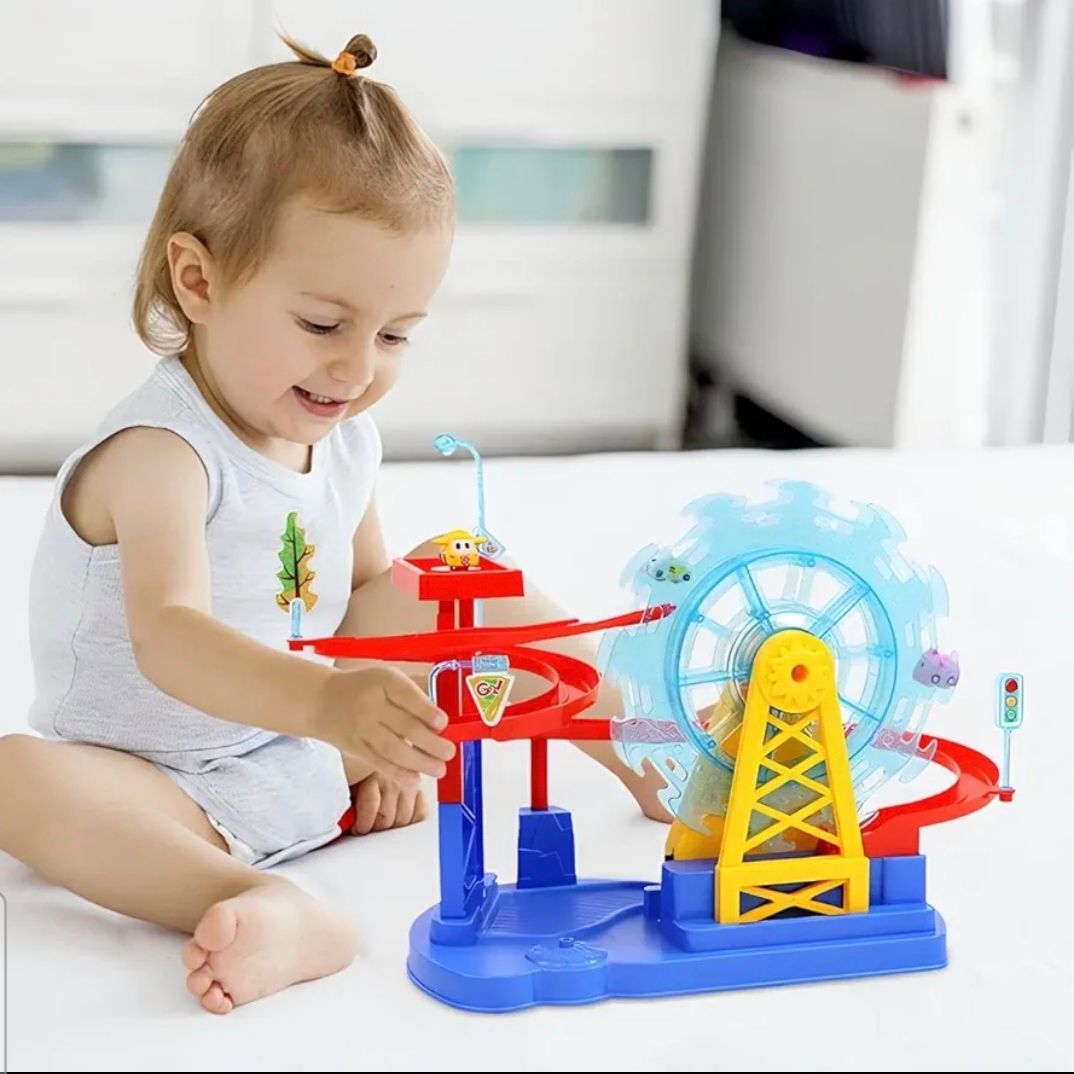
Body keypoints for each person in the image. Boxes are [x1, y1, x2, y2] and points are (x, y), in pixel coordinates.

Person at [0, 33, 668, 1015]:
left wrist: (380, 734)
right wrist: (334, 708)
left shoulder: (344, 435)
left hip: (306, 757)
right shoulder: (159, 454)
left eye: (396, 334)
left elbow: (367, 600)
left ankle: (644, 752)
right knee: (16, 777)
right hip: (158, 782)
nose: (358, 369)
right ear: (199, 280)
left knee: (460, 577)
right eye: (323, 324)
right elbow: (170, 640)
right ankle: (252, 899)